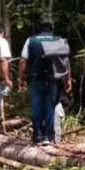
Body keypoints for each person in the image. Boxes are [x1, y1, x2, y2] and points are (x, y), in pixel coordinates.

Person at [17, 14, 72, 145]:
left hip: (35, 79)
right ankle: (48, 137)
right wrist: (68, 79)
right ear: (51, 27)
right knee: (50, 108)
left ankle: (37, 137)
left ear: (38, 27)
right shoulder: (59, 40)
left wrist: (20, 78)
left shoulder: (31, 40)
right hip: (54, 80)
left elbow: (23, 61)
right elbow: (66, 62)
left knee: (36, 108)